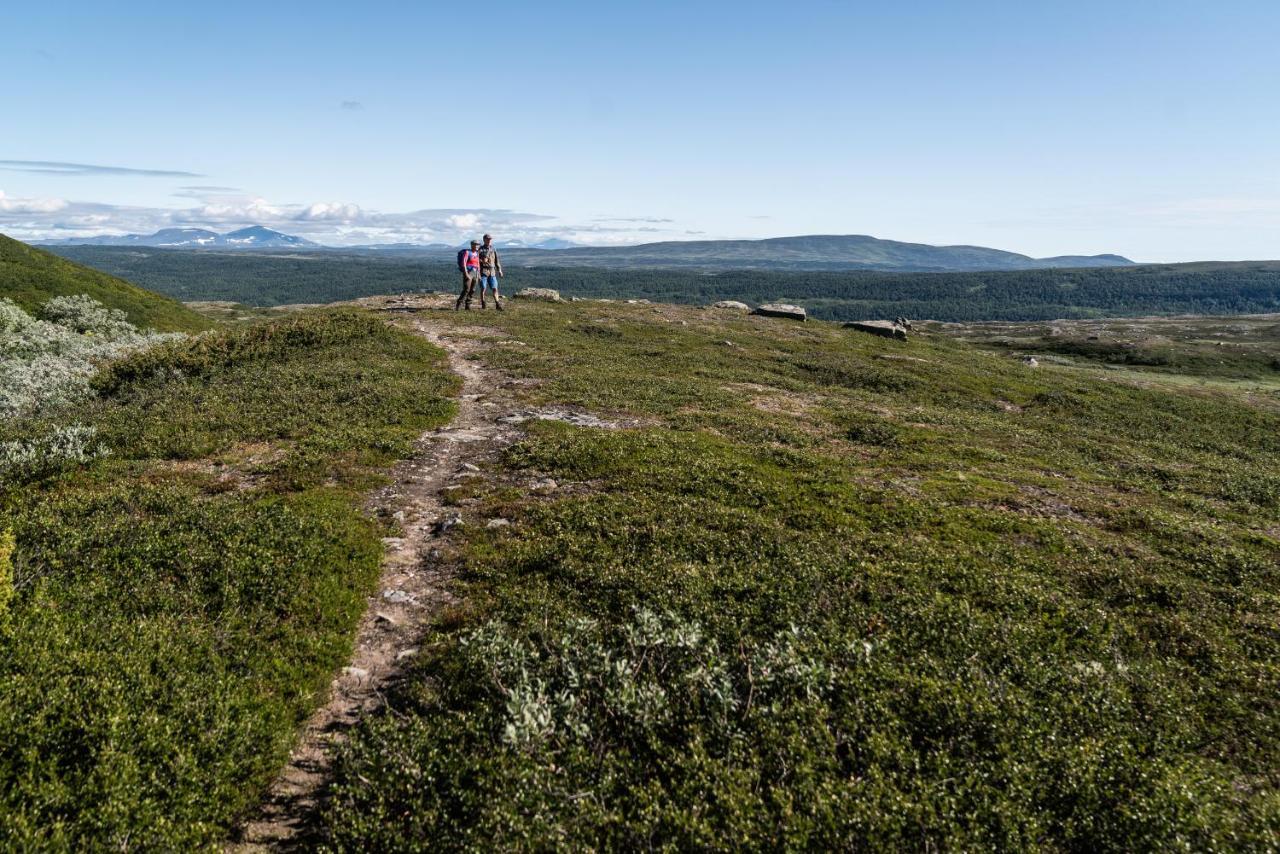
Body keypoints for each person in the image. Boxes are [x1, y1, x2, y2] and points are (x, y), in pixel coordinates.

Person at [477, 233, 504, 310]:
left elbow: (497, 261)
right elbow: (475, 259)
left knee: (495, 288)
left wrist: (499, 270)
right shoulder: (480, 249)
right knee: (483, 288)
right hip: (483, 271)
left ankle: (497, 304)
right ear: (484, 240)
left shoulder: (493, 249)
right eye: (487, 239)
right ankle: (483, 303)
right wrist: (482, 260)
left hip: (492, 271)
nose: (489, 240)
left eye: (490, 239)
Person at [455, 240, 481, 310]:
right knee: (466, 289)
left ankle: (468, 305)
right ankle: (459, 304)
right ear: (472, 245)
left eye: (478, 245)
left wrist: (479, 274)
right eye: (475, 245)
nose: (477, 246)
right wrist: (466, 274)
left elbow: (478, 264)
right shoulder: (467, 252)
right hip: (469, 272)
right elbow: (464, 263)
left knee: (473, 289)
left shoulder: (477, 253)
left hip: (475, 272)